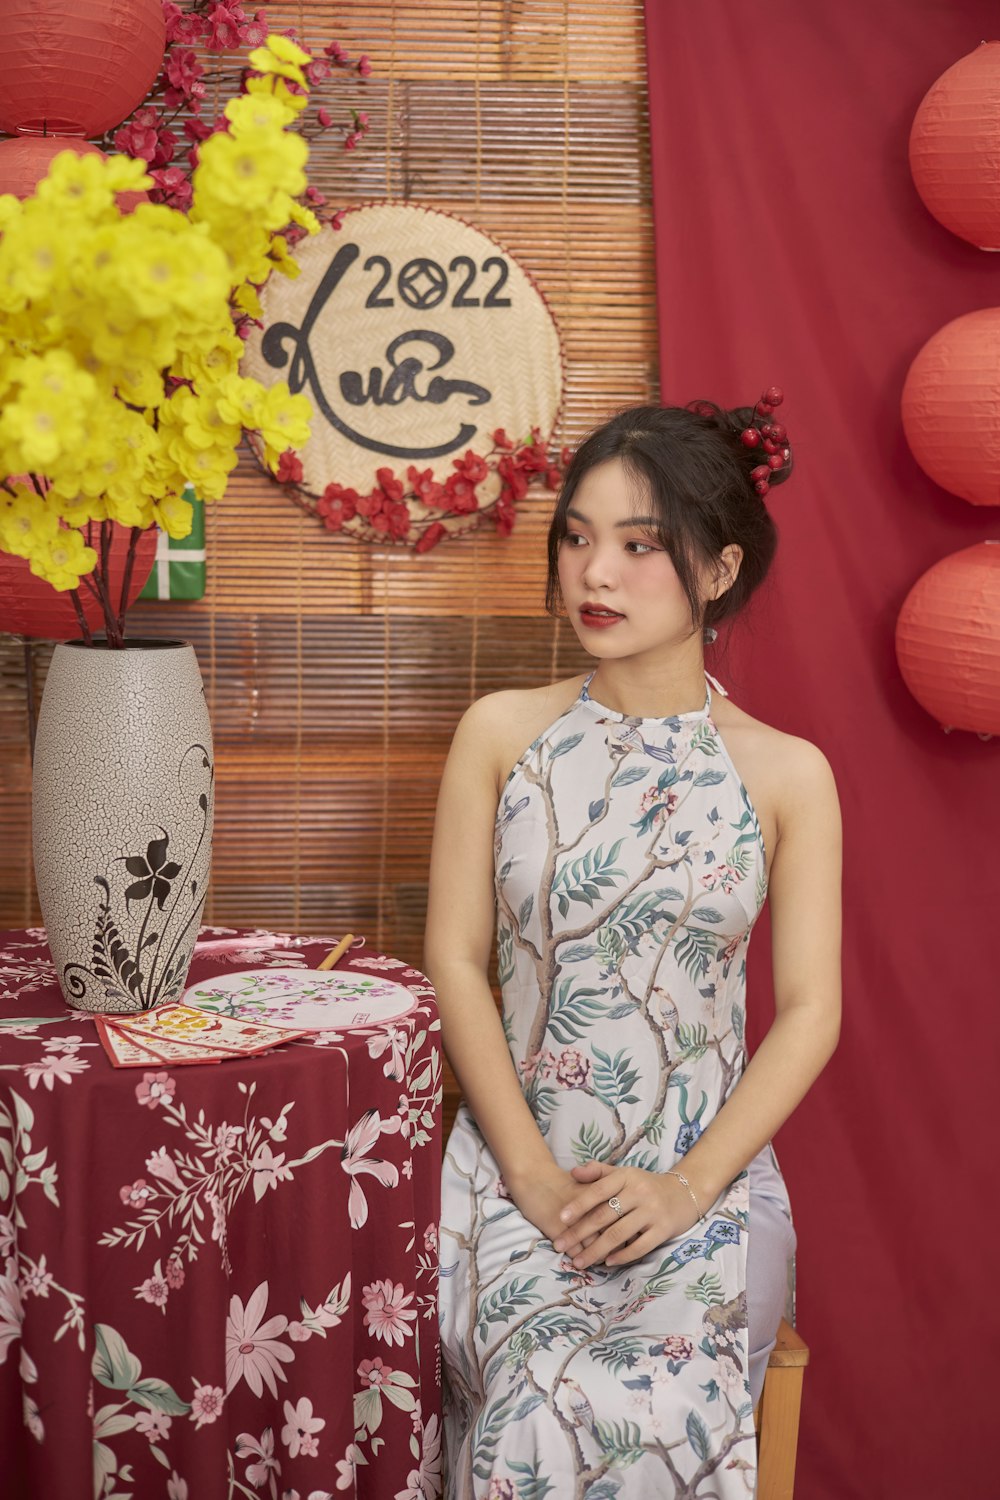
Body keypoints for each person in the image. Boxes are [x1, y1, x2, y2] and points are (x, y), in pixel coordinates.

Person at [425, 394, 842, 1498]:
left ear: (718, 571)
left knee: (649, 1402)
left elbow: (809, 1011)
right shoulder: (501, 736)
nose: (592, 574)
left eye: (638, 545)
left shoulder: (786, 774)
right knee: (532, 1394)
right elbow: (456, 961)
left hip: (699, 1180)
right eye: (576, 538)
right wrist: (525, 1173)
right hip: (513, 1172)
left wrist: (687, 1188)